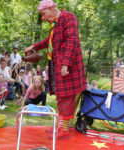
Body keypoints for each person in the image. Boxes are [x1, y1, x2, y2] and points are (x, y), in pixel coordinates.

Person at [24, 0, 86, 139]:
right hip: (57, 65)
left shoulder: (68, 17)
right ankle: (60, 126)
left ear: (51, 8)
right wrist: (34, 47)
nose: (43, 17)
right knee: (60, 96)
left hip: (69, 67)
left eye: (43, 13)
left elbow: (72, 40)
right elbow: (49, 41)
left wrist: (66, 64)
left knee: (66, 97)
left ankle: (63, 130)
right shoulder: (55, 24)